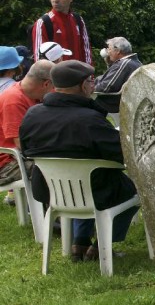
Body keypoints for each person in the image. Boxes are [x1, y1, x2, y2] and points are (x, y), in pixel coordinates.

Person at [19, 60, 138, 262]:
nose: (94, 84)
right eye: (91, 81)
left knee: (82, 181)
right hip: (95, 191)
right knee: (130, 191)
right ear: (83, 85)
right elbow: (122, 153)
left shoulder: (32, 115)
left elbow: (27, 148)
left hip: (51, 190)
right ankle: (101, 246)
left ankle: (80, 242)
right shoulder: (89, 119)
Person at [0, 61, 54, 197]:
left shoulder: (31, 96)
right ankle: (52, 213)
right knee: (58, 170)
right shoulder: (13, 100)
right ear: (46, 84)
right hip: (8, 163)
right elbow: (21, 145)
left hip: (19, 156)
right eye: (54, 85)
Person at [31, 0, 92, 65]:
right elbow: (39, 58)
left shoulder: (78, 20)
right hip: (55, 76)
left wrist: (89, 74)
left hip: (78, 75)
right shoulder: (43, 22)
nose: (55, 0)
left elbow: (86, 50)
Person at [94, 37, 142, 113]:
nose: (107, 52)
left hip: (114, 103)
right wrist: (110, 64)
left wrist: (89, 87)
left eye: (109, 49)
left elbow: (106, 87)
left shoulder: (123, 64)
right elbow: (113, 78)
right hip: (127, 101)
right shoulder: (133, 62)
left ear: (118, 51)